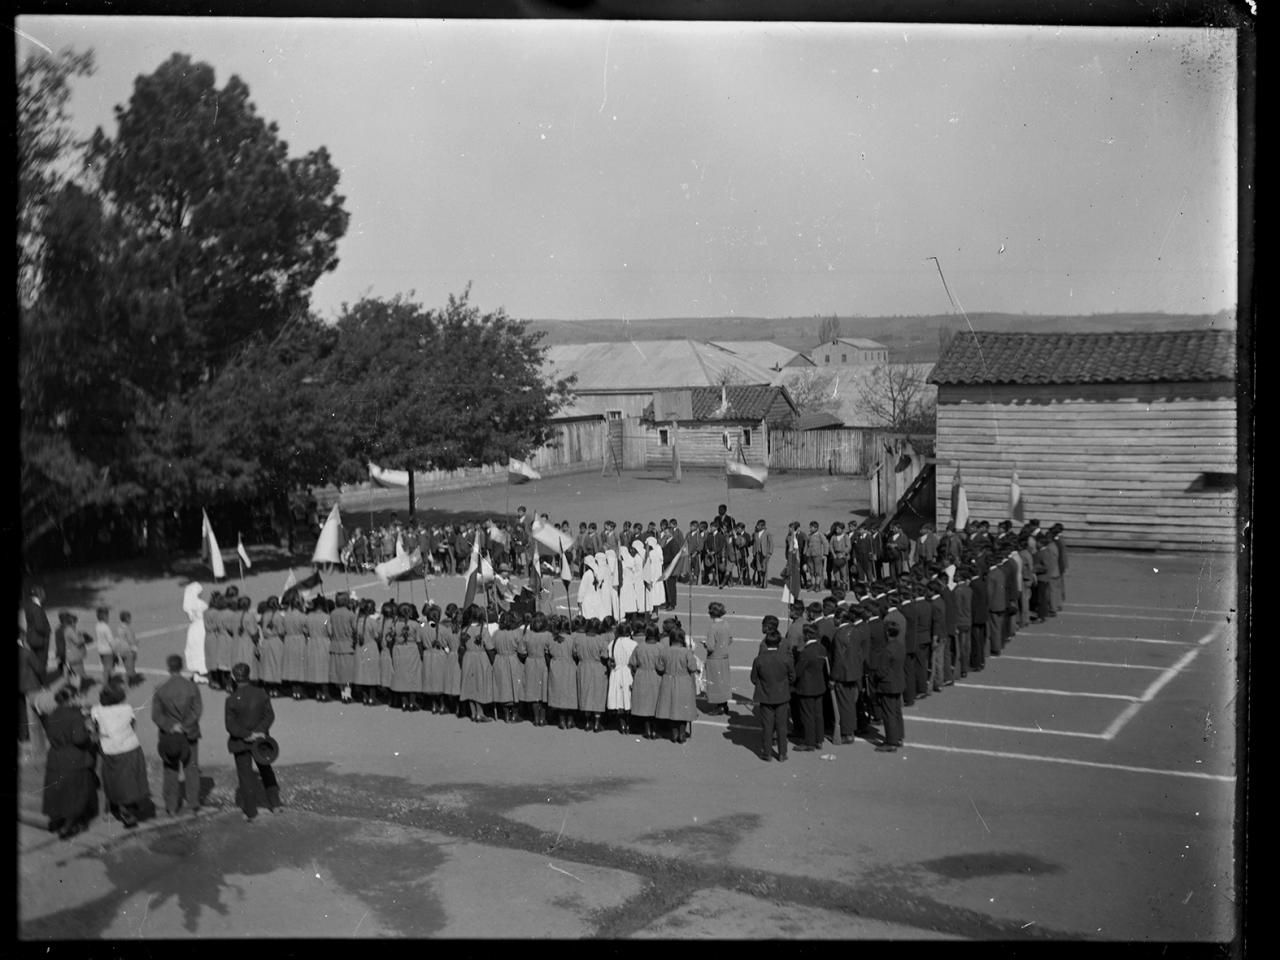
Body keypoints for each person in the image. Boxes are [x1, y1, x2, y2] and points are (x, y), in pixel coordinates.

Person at [91, 681, 152, 828]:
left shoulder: (96, 710)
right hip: (130, 747)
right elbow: (132, 726)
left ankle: (114, 808)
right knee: (130, 780)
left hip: (109, 749)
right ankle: (128, 808)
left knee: (113, 780)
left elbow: (96, 729)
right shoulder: (127, 708)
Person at [42, 683, 99, 839]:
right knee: (75, 795)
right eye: (77, 696)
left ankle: (56, 822)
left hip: (55, 757)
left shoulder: (52, 714)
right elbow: (79, 739)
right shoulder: (75, 716)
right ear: (72, 698)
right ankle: (68, 826)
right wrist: (91, 736)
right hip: (74, 759)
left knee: (58, 792)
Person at [225, 662, 279, 822]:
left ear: (235, 678)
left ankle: (251, 812)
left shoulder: (231, 700)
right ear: (249, 675)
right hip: (260, 741)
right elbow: (270, 716)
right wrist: (259, 732)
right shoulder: (261, 693)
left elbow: (230, 725)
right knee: (266, 770)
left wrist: (247, 734)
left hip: (241, 742)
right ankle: (275, 804)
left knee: (245, 776)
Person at [151, 654, 202, 817]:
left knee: (170, 770)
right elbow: (197, 711)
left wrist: (172, 726)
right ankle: (193, 804)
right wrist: (185, 726)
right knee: (191, 769)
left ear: (168, 667)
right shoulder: (192, 687)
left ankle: (171, 806)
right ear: (182, 666)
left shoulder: (161, 689)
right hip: (189, 733)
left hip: (169, 735)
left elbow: (156, 715)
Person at [750, 629, 794, 762]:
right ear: (779, 643)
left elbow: (753, 678)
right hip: (782, 696)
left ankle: (767, 752)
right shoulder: (786, 658)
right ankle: (782, 753)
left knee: (767, 726)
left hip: (766, 696)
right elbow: (792, 676)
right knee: (782, 725)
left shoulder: (759, 659)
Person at [654, 627, 699, 744]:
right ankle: (682, 733)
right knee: (683, 709)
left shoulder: (665, 651)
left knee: (671, 707)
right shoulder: (686, 652)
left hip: (668, 681)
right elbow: (693, 667)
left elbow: (659, 667)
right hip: (683, 682)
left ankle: (674, 733)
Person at [793, 623, 830, 751]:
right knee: (818, 714)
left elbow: (798, 672)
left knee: (807, 715)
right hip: (819, 685)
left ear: (807, 635)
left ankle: (809, 742)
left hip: (806, 688)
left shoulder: (806, 652)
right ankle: (819, 739)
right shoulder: (822, 648)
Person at [872, 620, 906, 752]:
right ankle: (898, 737)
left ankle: (891, 741)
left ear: (887, 632)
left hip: (888, 684)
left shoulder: (888, 649)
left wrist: (876, 679)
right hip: (898, 682)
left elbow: (882, 670)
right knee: (896, 711)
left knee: (889, 713)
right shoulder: (899, 645)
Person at [518, 613, 552, 726]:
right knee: (543, 691)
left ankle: (536, 718)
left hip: (530, 663)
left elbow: (522, 652)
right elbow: (550, 651)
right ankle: (542, 717)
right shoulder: (548, 635)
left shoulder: (527, 635)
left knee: (533, 691)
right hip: (543, 663)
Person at [606, 620, 638, 734]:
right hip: (628, 672)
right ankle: (628, 723)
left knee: (618, 697)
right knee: (628, 698)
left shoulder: (612, 643)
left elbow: (610, 658)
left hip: (616, 672)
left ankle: (622, 724)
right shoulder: (633, 644)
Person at [491, 611, 524, 722]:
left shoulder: (496, 634)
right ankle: (514, 714)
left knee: (503, 687)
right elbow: (521, 649)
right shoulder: (517, 633)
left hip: (500, 661)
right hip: (513, 660)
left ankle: (506, 714)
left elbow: (492, 647)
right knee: (515, 687)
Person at [701, 602, 733, 716]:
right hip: (724, 657)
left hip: (714, 658)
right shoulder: (726, 624)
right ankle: (724, 704)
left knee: (715, 683)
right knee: (723, 682)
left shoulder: (713, 627)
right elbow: (730, 639)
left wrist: (705, 645)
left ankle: (719, 706)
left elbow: (710, 646)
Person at [328, 592, 358, 703]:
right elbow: (355, 630)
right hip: (348, 646)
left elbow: (330, 631)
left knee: (339, 672)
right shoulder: (351, 614)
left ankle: (343, 694)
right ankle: (347, 694)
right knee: (348, 673)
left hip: (336, 645)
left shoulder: (332, 614)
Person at [303, 595, 331, 701]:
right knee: (323, 668)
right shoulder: (326, 617)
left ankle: (318, 693)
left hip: (312, 643)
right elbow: (330, 632)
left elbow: (305, 631)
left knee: (315, 668)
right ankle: (325, 692)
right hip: (323, 642)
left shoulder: (309, 616)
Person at [183, 583, 209, 684]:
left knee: (193, 650)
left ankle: (197, 675)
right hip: (202, 628)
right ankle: (204, 674)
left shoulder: (188, 605)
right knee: (202, 649)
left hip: (193, 629)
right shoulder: (201, 604)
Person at [116, 610, 142, 686]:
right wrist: (136, 642)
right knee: (130, 668)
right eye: (129, 618)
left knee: (126, 667)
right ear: (127, 619)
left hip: (122, 650)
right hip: (128, 650)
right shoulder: (128, 629)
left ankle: (128, 681)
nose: (130, 620)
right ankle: (129, 682)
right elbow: (131, 640)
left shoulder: (119, 628)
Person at [94, 606, 116, 683]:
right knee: (108, 668)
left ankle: (107, 680)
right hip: (108, 651)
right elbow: (111, 641)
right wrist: (115, 650)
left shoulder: (97, 625)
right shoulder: (106, 628)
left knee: (105, 666)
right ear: (105, 617)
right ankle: (106, 683)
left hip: (101, 650)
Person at [753, 520, 773, 588]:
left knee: (764, 568)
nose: (757, 526)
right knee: (759, 568)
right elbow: (754, 543)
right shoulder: (756, 533)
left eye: (758, 525)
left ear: (763, 526)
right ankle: (761, 582)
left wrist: (770, 552)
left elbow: (771, 543)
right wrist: (754, 552)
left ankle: (764, 583)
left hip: (765, 553)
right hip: (757, 553)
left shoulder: (767, 533)